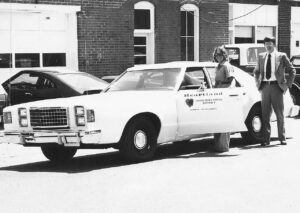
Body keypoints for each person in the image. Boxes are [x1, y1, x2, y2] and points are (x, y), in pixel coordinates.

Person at [253, 36, 295, 146]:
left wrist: (287, 85)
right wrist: (258, 84)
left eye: (270, 44)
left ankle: (282, 137)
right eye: (266, 44)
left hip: (277, 87)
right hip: (265, 88)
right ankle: (266, 139)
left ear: (274, 44)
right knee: (265, 114)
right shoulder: (261, 56)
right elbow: (256, 71)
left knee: (279, 114)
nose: (267, 46)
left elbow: (292, 71)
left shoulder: (281, 56)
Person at [212, 46, 236, 152]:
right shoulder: (218, 66)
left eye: (220, 54)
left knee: (225, 120)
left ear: (224, 55)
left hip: (224, 92)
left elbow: (232, 80)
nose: (218, 57)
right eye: (216, 55)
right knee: (217, 120)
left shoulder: (227, 66)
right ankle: (218, 145)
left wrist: (229, 92)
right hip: (217, 93)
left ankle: (224, 146)